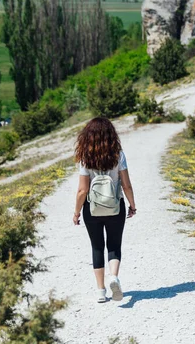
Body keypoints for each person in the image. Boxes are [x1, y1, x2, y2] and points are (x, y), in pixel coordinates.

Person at [73, 117, 137, 303]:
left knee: (97, 246)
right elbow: (126, 185)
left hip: (91, 209)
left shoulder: (85, 158)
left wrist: (77, 212)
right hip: (115, 206)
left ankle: (101, 291)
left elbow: (82, 190)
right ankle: (114, 277)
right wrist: (132, 205)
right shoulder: (118, 155)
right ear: (111, 135)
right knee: (114, 245)